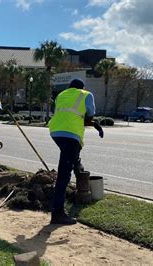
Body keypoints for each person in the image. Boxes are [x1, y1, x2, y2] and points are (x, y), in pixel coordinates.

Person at [48, 79, 104, 225]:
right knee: (63, 175)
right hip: (71, 134)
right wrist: (93, 122)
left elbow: (66, 114)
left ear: (70, 87)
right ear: (82, 87)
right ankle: (57, 214)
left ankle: (76, 164)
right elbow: (90, 114)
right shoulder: (86, 94)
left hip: (56, 132)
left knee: (70, 158)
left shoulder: (61, 95)